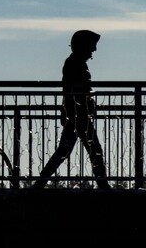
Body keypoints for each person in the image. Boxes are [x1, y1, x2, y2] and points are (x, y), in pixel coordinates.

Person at [33, 30, 110, 189]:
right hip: (78, 115)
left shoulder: (74, 62)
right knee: (92, 150)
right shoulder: (75, 64)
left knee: (68, 151)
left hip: (76, 115)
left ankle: (40, 183)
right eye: (92, 46)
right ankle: (103, 185)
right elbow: (75, 91)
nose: (94, 50)